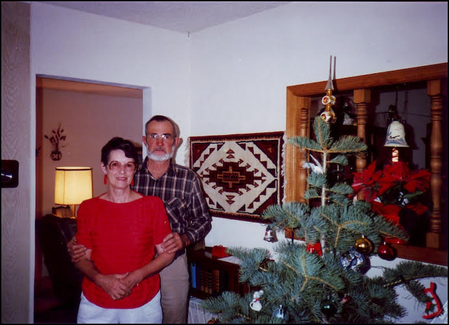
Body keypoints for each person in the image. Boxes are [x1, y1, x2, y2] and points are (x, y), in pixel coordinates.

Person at [69, 116, 212, 323]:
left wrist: (185, 239)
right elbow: (105, 217)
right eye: (154, 136)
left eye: (166, 136)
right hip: (128, 259)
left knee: (173, 316)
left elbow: (203, 220)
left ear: (176, 141)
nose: (160, 143)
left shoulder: (187, 178)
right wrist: (76, 242)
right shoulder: (127, 172)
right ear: (145, 141)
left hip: (171, 259)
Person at [74, 136, 175, 323]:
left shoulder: (152, 205)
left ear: (134, 169)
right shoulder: (88, 208)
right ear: (104, 167)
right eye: (115, 164)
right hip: (96, 302)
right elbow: (81, 257)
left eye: (128, 165)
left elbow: (166, 254)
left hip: (143, 303)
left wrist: (137, 276)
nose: (122, 171)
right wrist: (100, 279)